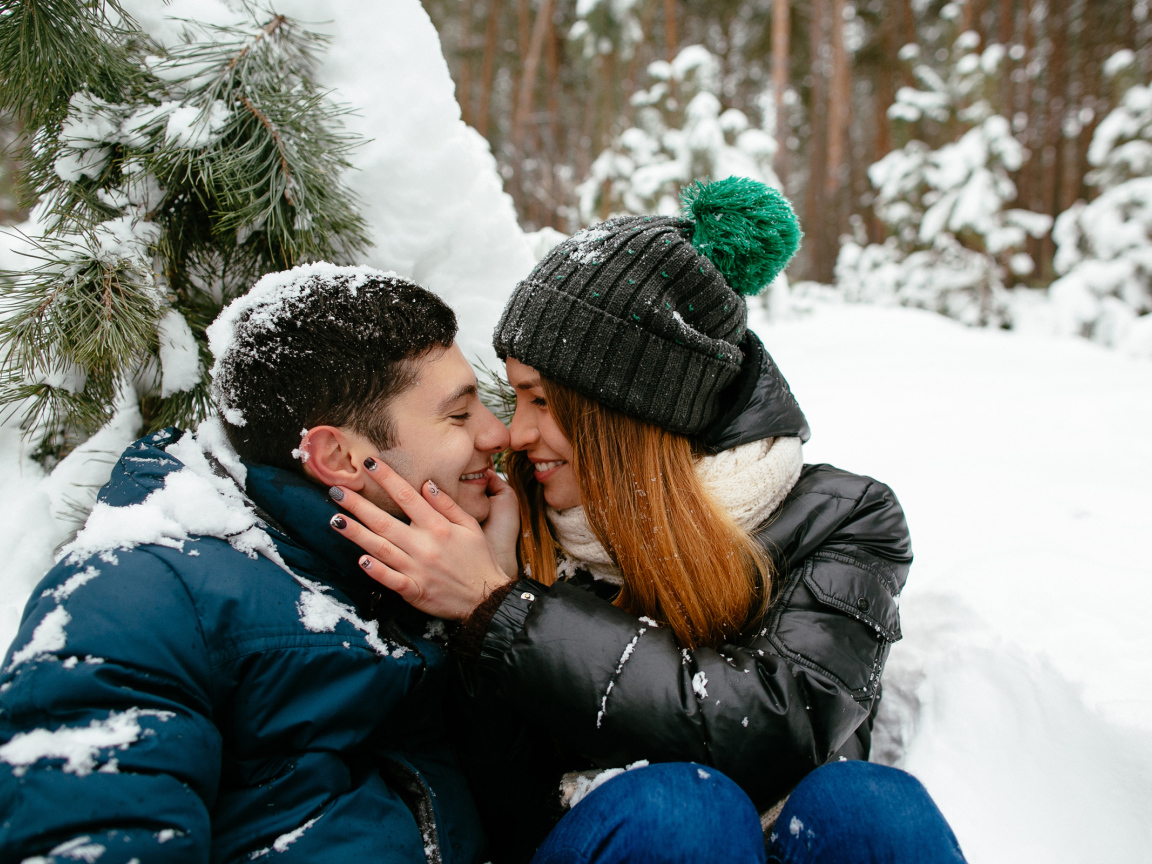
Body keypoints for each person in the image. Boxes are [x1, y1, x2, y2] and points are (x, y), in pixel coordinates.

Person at [327, 179, 968, 863]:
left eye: (542, 401)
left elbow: (779, 730)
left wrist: (503, 610)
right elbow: (502, 806)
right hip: (607, 842)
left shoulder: (841, 518)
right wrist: (480, 627)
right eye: (515, 397)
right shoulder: (512, 518)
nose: (515, 435)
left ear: (630, 414)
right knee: (678, 815)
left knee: (869, 807)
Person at [0, 263, 512, 863]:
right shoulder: (140, 592)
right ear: (340, 457)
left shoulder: (423, 566)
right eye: (459, 415)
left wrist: (493, 612)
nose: (497, 434)